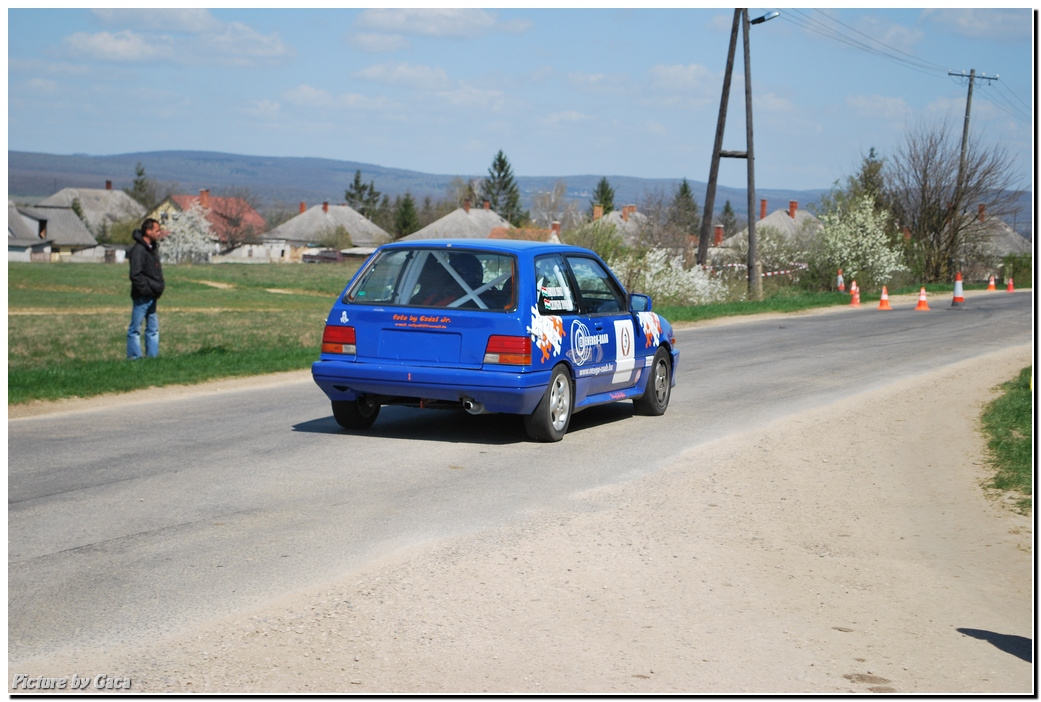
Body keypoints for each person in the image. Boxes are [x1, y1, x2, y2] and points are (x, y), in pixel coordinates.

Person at [126, 218, 167, 359]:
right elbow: (135, 275)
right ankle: (134, 358)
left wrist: (157, 288)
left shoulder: (152, 248)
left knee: (153, 329)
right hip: (142, 296)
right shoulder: (138, 250)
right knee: (135, 329)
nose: (159, 232)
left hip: (152, 295)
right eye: (157, 230)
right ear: (148, 231)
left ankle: (152, 358)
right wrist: (146, 290)